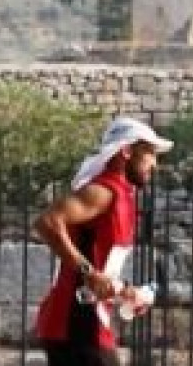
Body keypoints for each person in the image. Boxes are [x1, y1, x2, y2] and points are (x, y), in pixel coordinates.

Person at [33, 117, 172, 366]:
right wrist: (88, 272)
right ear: (127, 151)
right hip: (73, 324)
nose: (154, 164)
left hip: (89, 323)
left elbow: (101, 272)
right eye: (150, 153)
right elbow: (47, 222)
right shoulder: (103, 191)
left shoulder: (122, 196)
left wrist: (126, 293)